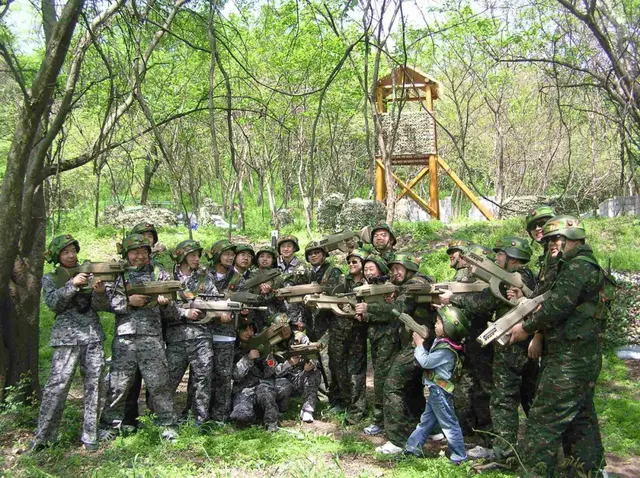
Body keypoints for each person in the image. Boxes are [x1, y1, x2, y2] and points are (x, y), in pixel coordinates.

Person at [509, 215, 606, 477]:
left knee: (543, 419)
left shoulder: (577, 267)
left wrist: (526, 329)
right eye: (550, 239)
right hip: (577, 355)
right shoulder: (573, 265)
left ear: (574, 239)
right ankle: (587, 471)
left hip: (570, 360)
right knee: (580, 418)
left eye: (558, 239)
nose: (552, 243)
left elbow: (556, 307)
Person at [442, 237, 537, 462]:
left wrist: (452, 298)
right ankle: (537, 448)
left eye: (500, 254)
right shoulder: (528, 276)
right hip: (525, 344)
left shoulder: (513, 279)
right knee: (529, 395)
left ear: (512, 257)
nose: (496, 258)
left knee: (503, 398)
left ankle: (504, 452)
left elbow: (484, 302)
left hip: (511, 347)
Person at [31, 235, 108, 451]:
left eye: (73, 250)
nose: (71, 255)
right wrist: (72, 285)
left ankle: (90, 435)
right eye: (66, 252)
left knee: (95, 385)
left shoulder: (90, 272)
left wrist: (100, 292)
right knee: (57, 387)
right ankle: (44, 437)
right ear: (58, 256)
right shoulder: (51, 278)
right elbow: (54, 304)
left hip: (92, 336)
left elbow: (101, 305)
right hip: (66, 339)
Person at [101, 234, 178, 438]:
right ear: (126, 253)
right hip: (125, 337)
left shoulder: (158, 272)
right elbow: (103, 302)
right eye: (135, 252)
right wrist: (128, 301)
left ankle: (167, 425)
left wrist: (165, 303)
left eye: (144, 252)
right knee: (118, 385)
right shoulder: (117, 273)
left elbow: (172, 311)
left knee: (159, 384)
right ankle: (110, 425)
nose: (139, 256)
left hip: (152, 336)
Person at [376, 254, 437, 454]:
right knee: (412, 388)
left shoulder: (415, 284)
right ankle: (432, 430)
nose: (395, 273)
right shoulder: (415, 283)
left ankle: (397, 440)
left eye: (398, 269)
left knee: (392, 386)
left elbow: (397, 309)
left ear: (409, 268)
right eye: (392, 269)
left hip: (418, 343)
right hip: (422, 343)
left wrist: (369, 307)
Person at [442, 243, 495, 443]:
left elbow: (482, 306)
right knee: (468, 387)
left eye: (473, 263)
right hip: (469, 339)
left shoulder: (491, 283)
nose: (469, 267)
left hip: (483, 340)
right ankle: (469, 429)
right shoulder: (470, 279)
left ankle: (489, 436)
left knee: (484, 388)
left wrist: (454, 299)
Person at [403, 306, 470, 464]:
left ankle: (459, 456)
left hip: (439, 391)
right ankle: (412, 448)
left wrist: (419, 345)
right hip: (435, 390)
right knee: (426, 421)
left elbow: (425, 362)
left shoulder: (445, 349)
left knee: (448, 423)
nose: (435, 324)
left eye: (439, 322)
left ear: (449, 328)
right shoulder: (442, 343)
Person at [166, 239, 214, 424]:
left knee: (202, 379)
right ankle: (163, 417)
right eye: (192, 255)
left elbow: (214, 302)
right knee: (169, 379)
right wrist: (184, 312)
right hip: (176, 337)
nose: (196, 259)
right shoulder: (168, 279)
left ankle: (199, 420)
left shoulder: (204, 279)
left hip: (201, 336)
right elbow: (162, 307)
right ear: (182, 257)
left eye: (198, 256)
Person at [357, 256, 400, 435]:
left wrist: (368, 310)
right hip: (376, 339)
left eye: (371, 269)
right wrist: (363, 315)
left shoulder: (389, 289)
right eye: (365, 269)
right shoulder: (368, 290)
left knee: (382, 380)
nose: (368, 272)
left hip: (388, 339)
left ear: (380, 270)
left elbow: (392, 312)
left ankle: (380, 420)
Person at [327, 249, 369, 422]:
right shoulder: (343, 280)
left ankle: (357, 409)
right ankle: (340, 401)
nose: (351, 265)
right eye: (349, 262)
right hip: (338, 330)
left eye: (355, 262)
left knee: (356, 372)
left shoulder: (369, 283)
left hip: (357, 332)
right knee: (336, 367)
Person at [230, 316, 280, 432]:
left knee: (267, 392)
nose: (249, 333)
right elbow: (236, 376)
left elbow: (271, 372)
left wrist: (268, 359)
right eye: (245, 330)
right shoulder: (233, 350)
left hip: (261, 387)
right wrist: (248, 358)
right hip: (244, 390)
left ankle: (271, 424)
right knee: (241, 416)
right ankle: (255, 415)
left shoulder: (261, 346)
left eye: (251, 330)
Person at [271, 314, 322, 423]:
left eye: (286, 326)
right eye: (281, 328)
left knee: (314, 374)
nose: (285, 330)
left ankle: (307, 410)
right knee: (281, 386)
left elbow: (313, 355)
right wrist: (288, 364)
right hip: (282, 380)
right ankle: (280, 409)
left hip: (300, 377)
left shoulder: (300, 337)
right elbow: (272, 371)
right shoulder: (272, 343)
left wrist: (311, 364)